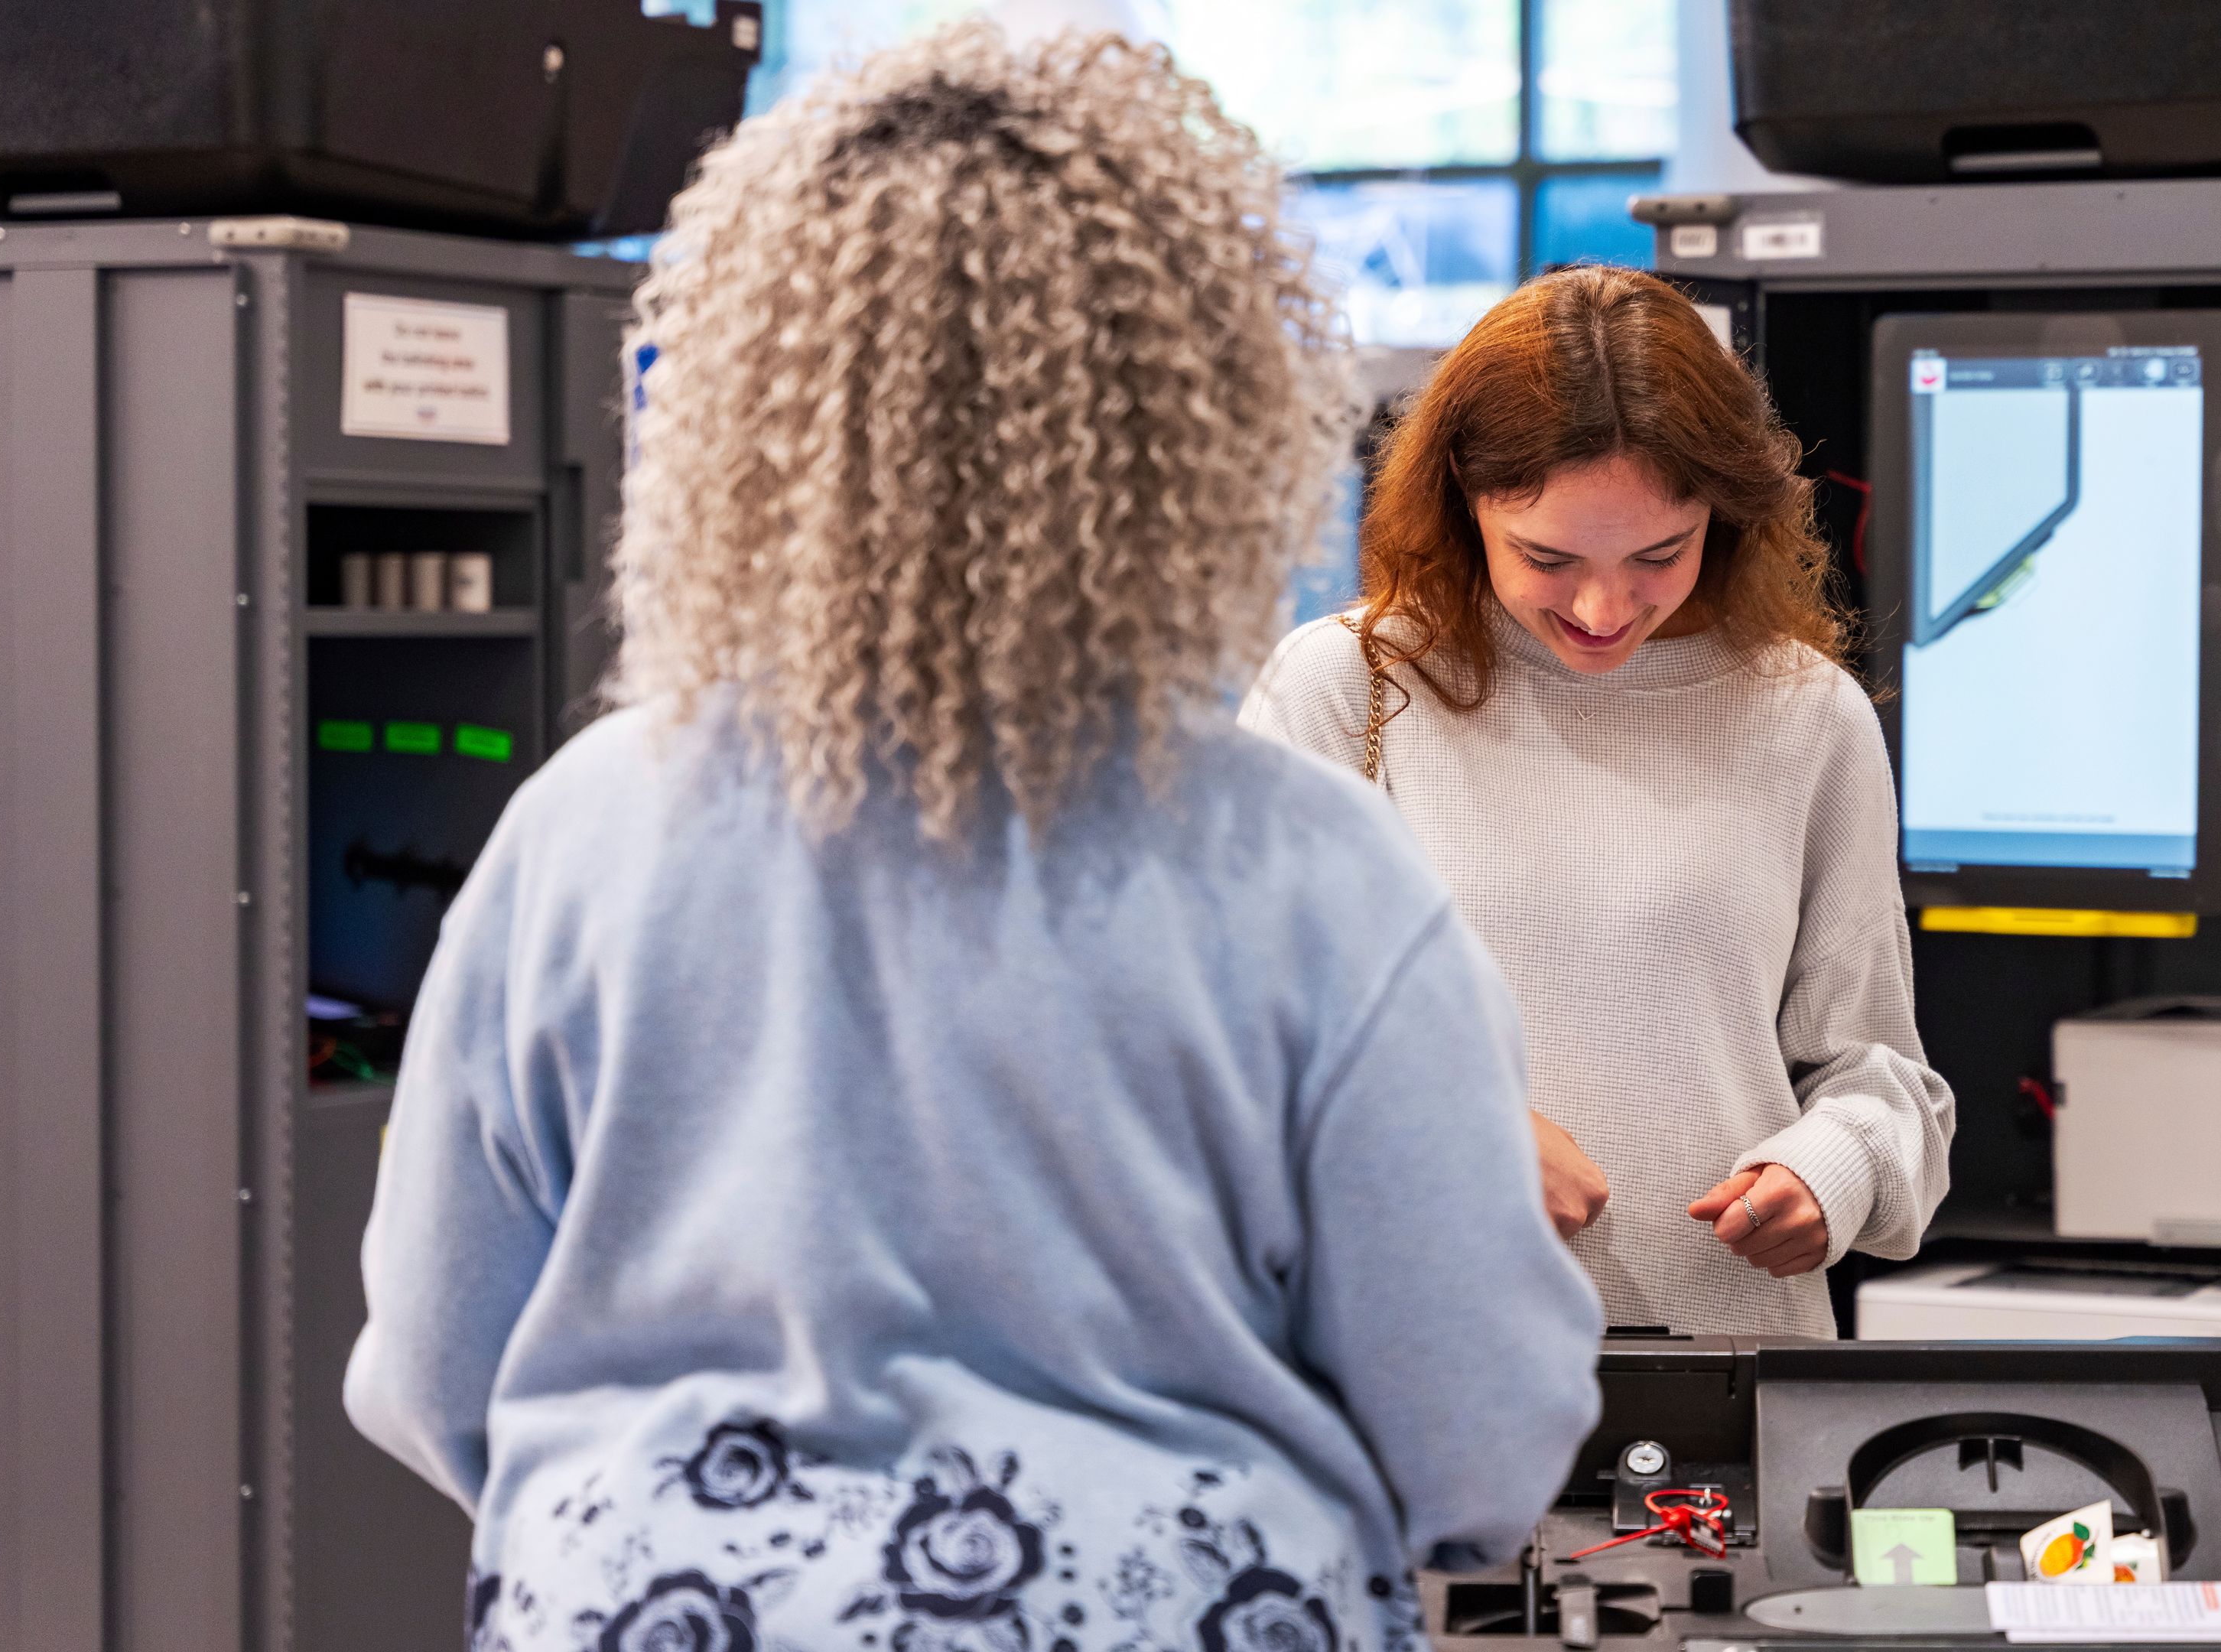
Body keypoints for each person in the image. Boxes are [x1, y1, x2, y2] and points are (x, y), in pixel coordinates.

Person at [343, 28, 1603, 1652]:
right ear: (1202, 416)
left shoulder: (579, 839)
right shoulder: (1313, 877)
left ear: (740, 406)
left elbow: (438, 1374)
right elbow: (1480, 1443)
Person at [1240, 268, 1955, 1339]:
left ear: (1725, 514)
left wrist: (1832, 1175)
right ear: (1463, 504)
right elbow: (1218, 1054)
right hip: (1408, 1386)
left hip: (1733, 1376)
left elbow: (1876, 1071)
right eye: (1548, 556)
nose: (1601, 606)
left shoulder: (1808, 717)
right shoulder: (1346, 691)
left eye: (1660, 554)